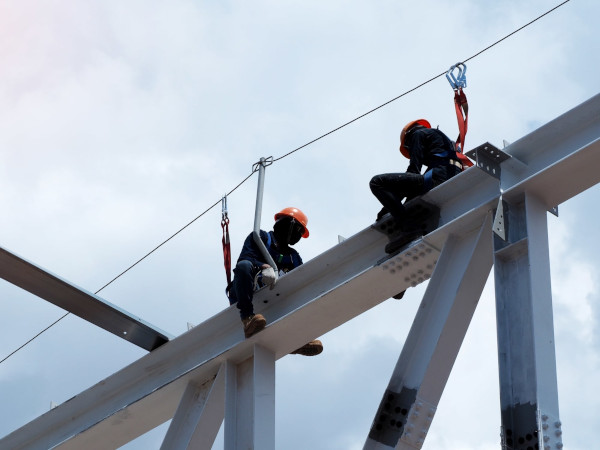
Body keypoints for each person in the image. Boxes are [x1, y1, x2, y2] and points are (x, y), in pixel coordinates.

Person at [228, 207, 323, 356]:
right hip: (246, 291)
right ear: (287, 223)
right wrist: (263, 266)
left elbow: (302, 281)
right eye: (297, 230)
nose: (297, 235)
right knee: (244, 266)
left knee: (301, 291)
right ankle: (247, 319)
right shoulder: (261, 238)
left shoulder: (293, 257)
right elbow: (244, 259)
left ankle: (296, 339)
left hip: (272, 297)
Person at [370, 119, 466, 253]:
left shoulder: (417, 134)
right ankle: (408, 228)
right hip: (449, 177)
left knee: (377, 182)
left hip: (437, 178)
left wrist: (387, 206)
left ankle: (409, 228)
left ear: (408, 141)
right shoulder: (442, 141)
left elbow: (413, 170)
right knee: (408, 203)